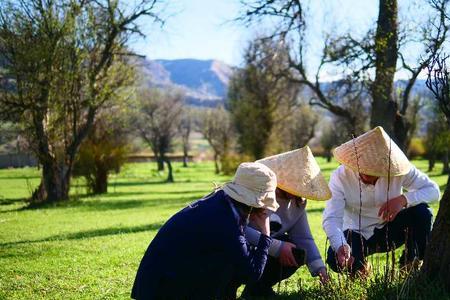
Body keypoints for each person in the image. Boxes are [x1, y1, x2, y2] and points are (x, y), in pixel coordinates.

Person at [131, 162, 279, 299]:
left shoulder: (221, 202)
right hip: (162, 291)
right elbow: (252, 274)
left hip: (156, 284)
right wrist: (265, 234)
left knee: (228, 262)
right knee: (227, 263)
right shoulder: (226, 221)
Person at [323, 126, 440, 275]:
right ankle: (361, 269)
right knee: (335, 259)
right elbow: (332, 217)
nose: (366, 174)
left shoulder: (399, 170)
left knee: (422, 213)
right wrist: (340, 245)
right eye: (363, 168)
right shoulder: (339, 176)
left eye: (374, 170)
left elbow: (434, 191)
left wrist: (404, 199)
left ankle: (410, 264)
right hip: (356, 234)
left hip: (392, 229)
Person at [241, 147, 332, 297]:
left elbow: (303, 238)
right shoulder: (260, 192)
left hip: (265, 249)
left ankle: (258, 289)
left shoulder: (298, 203)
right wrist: (278, 247)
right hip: (241, 248)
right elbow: (239, 230)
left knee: (297, 252)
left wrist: (320, 270)